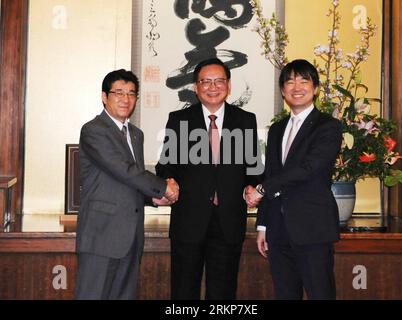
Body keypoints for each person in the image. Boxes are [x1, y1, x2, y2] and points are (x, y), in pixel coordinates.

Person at [155, 58, 261, 299]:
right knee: (183, 292)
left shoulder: (245, 120)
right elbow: (165, 165)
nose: (213, 87)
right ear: (196, 87)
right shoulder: (179, 120)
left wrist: (251, 186)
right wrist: (169, 179)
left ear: (229, 85)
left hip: (228, 222)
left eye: (219, 81)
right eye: (206, 81)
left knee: (223, 293)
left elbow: (254, 167)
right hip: (188, 221)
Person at [75, 69, 179, 300]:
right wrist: (163, 187)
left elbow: (130, 180)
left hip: (130, 237)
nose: (126, 99)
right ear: (104, 96)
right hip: (101, 235)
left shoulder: (135, 134)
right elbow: (124, 170)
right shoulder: (94, 130)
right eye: (118, 92)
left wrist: (152, 197)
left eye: (132, 93)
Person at [246, 59, 342, 300]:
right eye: (289, 82)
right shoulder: (277, 129)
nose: (296, 87)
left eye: (303, 80)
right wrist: (263, 226)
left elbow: (308, 169)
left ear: (316, 88)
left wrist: (261, 189)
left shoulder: (328, 126)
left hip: (312, 229)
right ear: (282, 90)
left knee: (321, 294)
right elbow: (272, 174)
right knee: (285, 294)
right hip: (278, 231)